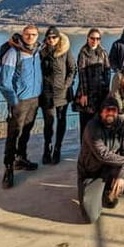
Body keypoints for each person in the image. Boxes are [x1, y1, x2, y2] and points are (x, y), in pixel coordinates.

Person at [77, 96, 124, 223]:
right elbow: (103, 155)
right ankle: (92, 190)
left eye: (114, 110)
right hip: (91, 172)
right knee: (90, 217)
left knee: (111, 202)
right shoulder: (92, 127)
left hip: (111, 167)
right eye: (107, 110)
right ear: (101, 112)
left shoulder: (122, 124)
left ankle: (108, 189)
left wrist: (121, 175)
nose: (111, 113)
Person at [0, 25, 42, 189]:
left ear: (37, 36)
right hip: (20, 101)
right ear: (22, 35)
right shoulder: (13, 53)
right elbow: (3, 82)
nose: (30, 37)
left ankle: (21, 159)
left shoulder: (37, 51)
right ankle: (8, 168)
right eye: (27, 34)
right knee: (13, 134)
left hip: (34, 99)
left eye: (34, 34)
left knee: (26, 131)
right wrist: (14, 101)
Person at [40, 26, 76, 165]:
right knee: (48, 122)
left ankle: (57, 148)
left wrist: (66, 85)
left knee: (61, 121)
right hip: (47, 93)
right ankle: (47, 148)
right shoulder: (42, 52)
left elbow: (73, 69)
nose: (51, 40)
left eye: (54, 37)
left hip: (62, 94)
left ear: (58, 38)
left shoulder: (65, 51)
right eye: (48, 38)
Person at [75, 28, 111, 141]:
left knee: (100, 123)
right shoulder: (83, 53)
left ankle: (98, 152)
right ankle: (85, 152)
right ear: (88, 38)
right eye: (92, 38)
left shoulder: (103, 52)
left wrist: (107, 89)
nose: (95, 41)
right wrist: (84, 93)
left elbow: (107, 71)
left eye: (97, 38)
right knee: (86, 124)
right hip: (88, 94)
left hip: (101, 93)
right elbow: (82, 74)